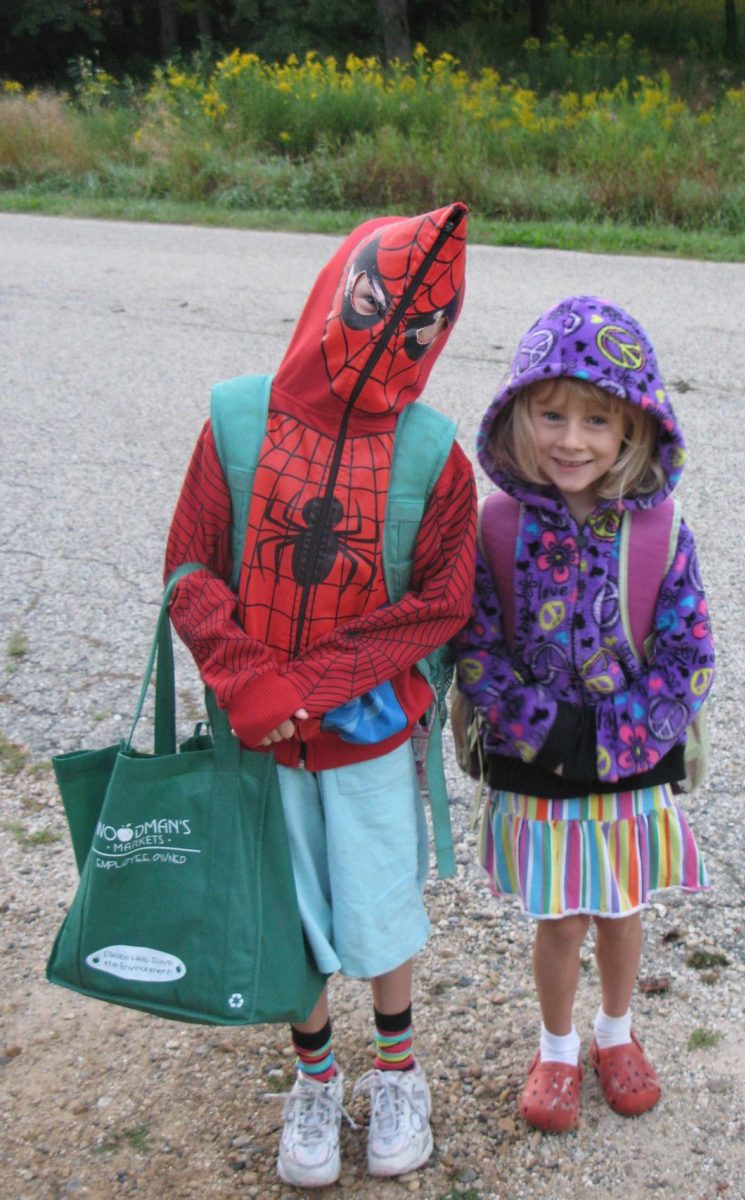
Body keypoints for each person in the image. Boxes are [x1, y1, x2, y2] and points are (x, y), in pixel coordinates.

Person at [164, 203, 476, 1186]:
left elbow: (442, 600)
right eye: (374, 307)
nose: (383, 344)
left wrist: (316, 681)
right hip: (257, 739)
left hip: (370, 742)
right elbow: (188, 567)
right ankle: (312, 1076)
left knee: (381, 906)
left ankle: (398, 1071)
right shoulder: (235, 420)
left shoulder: (435, 456)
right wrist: (249, 676)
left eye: (413, 331)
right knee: (283, 910)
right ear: (339, 285)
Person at [455, 294, 715, 1132]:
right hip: (541, 764)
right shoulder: (494, 526)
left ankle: (617, 1032)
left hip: (631, 764)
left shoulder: (661, 532)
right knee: (560, 916)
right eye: (552, 414)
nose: (571, 439)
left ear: (635, 430)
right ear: (518, 414)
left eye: (597, 421)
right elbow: (476, 650)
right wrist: (548, 733)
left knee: (622, 907)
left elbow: (689, 656)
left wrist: (618, 736)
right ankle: (558, 1046)